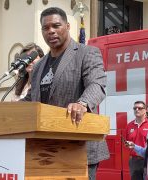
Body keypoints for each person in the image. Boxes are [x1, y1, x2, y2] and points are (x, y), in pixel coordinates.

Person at [22, 7, 109, 180]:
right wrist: (10, 110)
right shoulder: (39, 66)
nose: (51, 31)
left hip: (79, 148)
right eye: (46, 28)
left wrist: (82, 103)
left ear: (68, 26)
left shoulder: (86, 53)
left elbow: (97, 84)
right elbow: (32, 98)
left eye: (56, 25)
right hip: (44, 150)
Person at [124, 101, 148, 180]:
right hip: (134, 161)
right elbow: (126, 142)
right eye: (135, 108)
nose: (137, 110)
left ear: (145, 110)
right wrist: (127, 144)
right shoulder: (129, 125)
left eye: (139, 108)